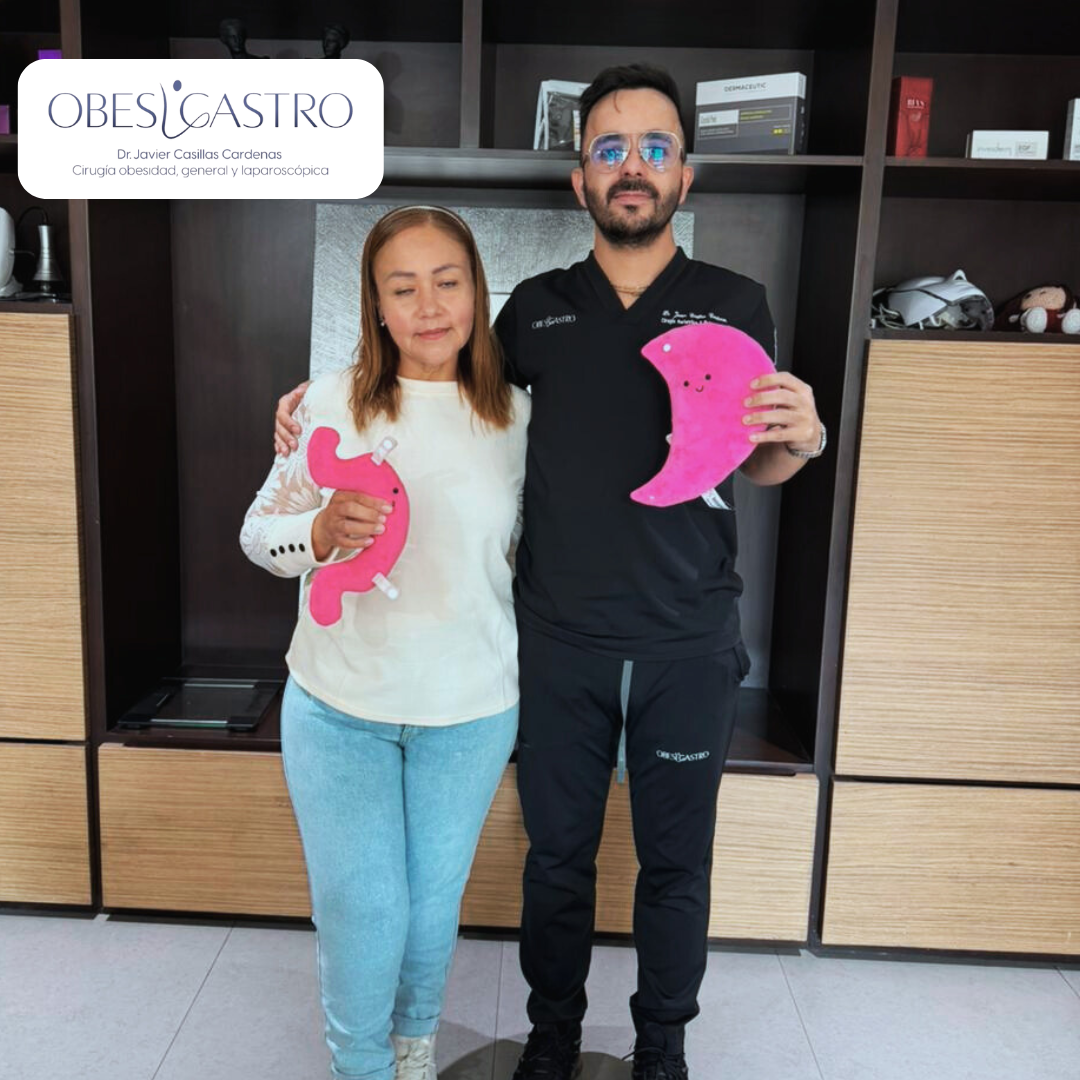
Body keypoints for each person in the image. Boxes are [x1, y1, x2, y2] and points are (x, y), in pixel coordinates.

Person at [274, 65, 824, 1080]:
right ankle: (554, 1038)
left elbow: (754, 458)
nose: (632, 166)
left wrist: (805, 437)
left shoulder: (734, 304)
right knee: (558, 859)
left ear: (685, 174)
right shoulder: (536, 310)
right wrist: (318, 403)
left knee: (675, 865)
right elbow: (446, 391)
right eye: (610, 148)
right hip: (559, 641)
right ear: (581, 180)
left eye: (654, 148)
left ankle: (663, 1048)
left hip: (688, 639)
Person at [244, 204, 530, 1080]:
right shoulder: (329, 402)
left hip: (469, 710)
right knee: (363, 907)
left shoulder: (521, 419)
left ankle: (413, 1050)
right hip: (339, 704)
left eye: (447, 282)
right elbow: (258, 535)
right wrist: (318, 532)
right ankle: (360, 1065)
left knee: (430, 906)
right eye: (402, 288)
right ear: (375, 304)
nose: (428, 306)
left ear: (478, 290)